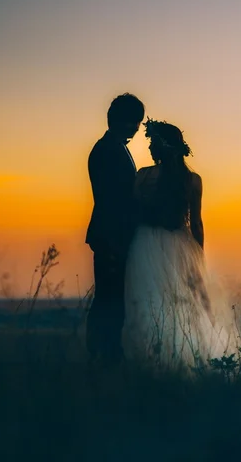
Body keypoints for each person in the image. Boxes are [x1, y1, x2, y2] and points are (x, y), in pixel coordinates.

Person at [122, 118, 241, 377]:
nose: (149, 148)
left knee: (149, 303)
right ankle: (177, 360)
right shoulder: (192, 180)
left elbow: (133, 213)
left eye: (152, 142)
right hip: (179, 245)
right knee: (179, 303)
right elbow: (197, 224)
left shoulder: (144, 176)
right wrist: (198, 257)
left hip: (145, 244)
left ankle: (155, 364)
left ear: (164, 146)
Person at [85, 93, 145, 365]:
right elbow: (115, 199)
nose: (137, 128)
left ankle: (106, 352)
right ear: (124, 120)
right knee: (109, 299)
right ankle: (103, 353)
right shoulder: (108, 150)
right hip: (111, 235)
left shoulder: (115, 147)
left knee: (112, 297)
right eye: (135, 122)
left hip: (114, 234)